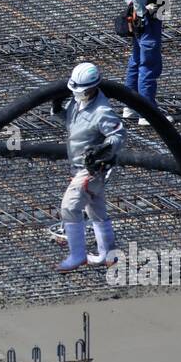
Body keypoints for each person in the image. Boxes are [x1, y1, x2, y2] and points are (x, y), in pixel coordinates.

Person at [53, 63, 125, 272]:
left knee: (70, 207)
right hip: (79, 166)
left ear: (92, 88)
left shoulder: (101, 111)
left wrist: (104, 150)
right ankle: (108, 254)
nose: (77, 94)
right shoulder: (78, 103)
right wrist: (57, 109)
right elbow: (74, 126)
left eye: (81, 91)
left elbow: (118, 135)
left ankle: (77, 255)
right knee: (96, 211)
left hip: (91, 169)